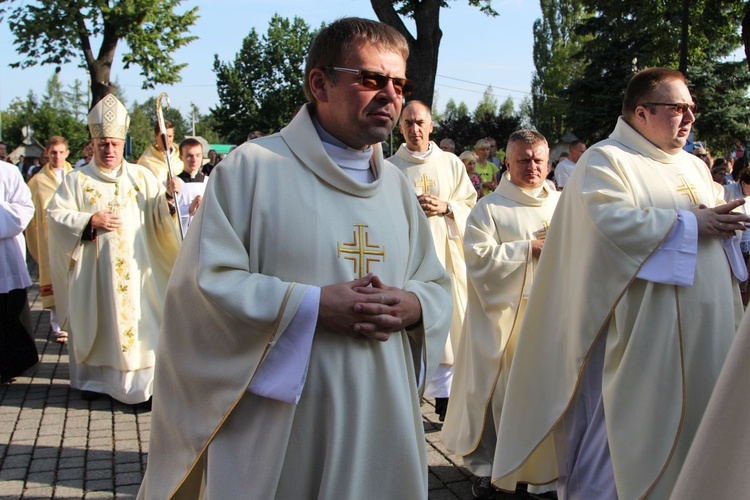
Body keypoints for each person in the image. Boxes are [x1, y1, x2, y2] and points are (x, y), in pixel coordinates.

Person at [138, 17, 452, 500]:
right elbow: (205, 288)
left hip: (382, 413)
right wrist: (309, 306)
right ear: (319, 83)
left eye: (399, 82)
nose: (391, 94)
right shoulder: (252, 170)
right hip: (283, 425)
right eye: (371, 78)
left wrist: (414, 307)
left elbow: (433, 282)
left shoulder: (396, 187)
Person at [492, 68, 747, 499]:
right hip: (640, 337)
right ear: (642, 112)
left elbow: (711, 222)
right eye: (676, 108)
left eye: (692, 109)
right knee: (622, 444)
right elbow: (605, 229)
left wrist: (726, 222)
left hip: (708, 329)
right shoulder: (606, 160)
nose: (688, 118)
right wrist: (690, 223)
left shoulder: (694, 166)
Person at [442, 130, 559, 499]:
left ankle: (549, 467)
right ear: (507, 163)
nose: (532, 167)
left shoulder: (563, 203)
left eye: (539, 160)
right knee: (503, 399)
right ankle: (494, 468)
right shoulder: (489, 209)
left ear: (549, 163)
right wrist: (529, 250)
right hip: (507, 321)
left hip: (555, 317)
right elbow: (476, 259)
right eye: (523, 160)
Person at [47, 94, 181, 405]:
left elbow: (158, 215)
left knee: (139, 325)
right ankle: (96, 384)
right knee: (100, 325)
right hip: (94, 275)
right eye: (103, 144)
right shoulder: (76, 180)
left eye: (115, 144)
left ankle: (140, 389)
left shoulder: (141, 176)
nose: (109, 150)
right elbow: (55, 216)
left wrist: (169, 202)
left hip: (136, 274)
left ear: (124, 144)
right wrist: (89, 220)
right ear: (93, 144)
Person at [389, 100, 476, 421]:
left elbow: (471, 203)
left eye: (420, 123)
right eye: (408, 123)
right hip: (409, 260)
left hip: (448, 256)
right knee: (414, 325)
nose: (415, 129)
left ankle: (446, 401)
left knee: (451, 325)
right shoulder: (390, 168)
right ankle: (408, 396)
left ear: (431, 125)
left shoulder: (451, 163)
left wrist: (448, 207)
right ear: (400, 128)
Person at [26, 136, 74, 343]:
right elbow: (31, 213)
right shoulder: (37, 182)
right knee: (54, 279)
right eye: (53, 152)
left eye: (61, 152)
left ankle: (75, 322)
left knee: (74, 279)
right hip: (49, 237)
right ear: (47, 153)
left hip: (73, 235)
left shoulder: (77, 176)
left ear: (67, 153)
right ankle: (58, 325)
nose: (57, 156)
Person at [0, 159, 38, 384]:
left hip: (5, 255)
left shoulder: (8, 171)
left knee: (8, 311)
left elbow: (25, 207)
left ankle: (12, 364)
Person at [175, 138, 207, 232]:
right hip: (182, 235)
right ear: (181, 157)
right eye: (189, 156)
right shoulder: (175, 183)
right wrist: (189, 210)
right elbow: (167, 216)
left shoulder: (209, 182)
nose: (194, 160)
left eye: (198, 155)